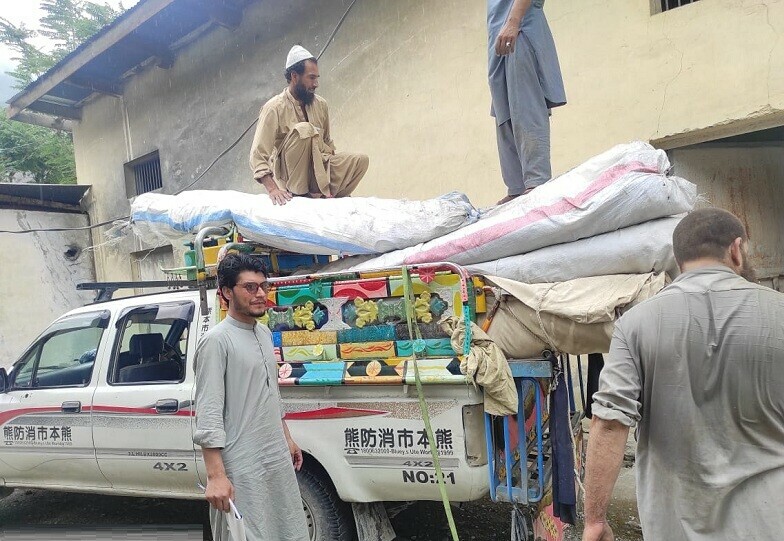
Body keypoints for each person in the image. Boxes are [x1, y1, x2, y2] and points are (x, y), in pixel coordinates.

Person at [582, 208, 784, 541]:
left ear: (678, 259)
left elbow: (609, 422)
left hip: (674, 528)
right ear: (737, 249)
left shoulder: (635, 325)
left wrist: (595, 520)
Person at [193, 253, 309, 541]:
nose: (260, 294)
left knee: (286, 527)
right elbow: (208, 412)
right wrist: (216, 476)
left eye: (263, 286)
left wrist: (287, 438)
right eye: (250, 287)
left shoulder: (265, 333)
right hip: (241, 463)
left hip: (273, 455)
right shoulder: (216, 341)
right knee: (246, 533)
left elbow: (269, 392)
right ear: (226, 293)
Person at [250, 45, 369, 205]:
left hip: (319, 171)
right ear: (294, 76)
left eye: (317, 78)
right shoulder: (273, 108)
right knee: (304, 129)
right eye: (311, 78)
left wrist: (337, 174)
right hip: (292, 180)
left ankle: (324, 193)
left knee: (360, 161)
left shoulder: (321, 104)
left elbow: (327, 144)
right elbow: (258, 155)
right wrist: (273, 189)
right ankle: (302, 193)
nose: (316, 84)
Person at [488, 0, 566, 205]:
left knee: (525, 104)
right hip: (498, 35)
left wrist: (514, 22)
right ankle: (516, 186)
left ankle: (536, 180)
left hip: (520, 28)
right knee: (503, 111)